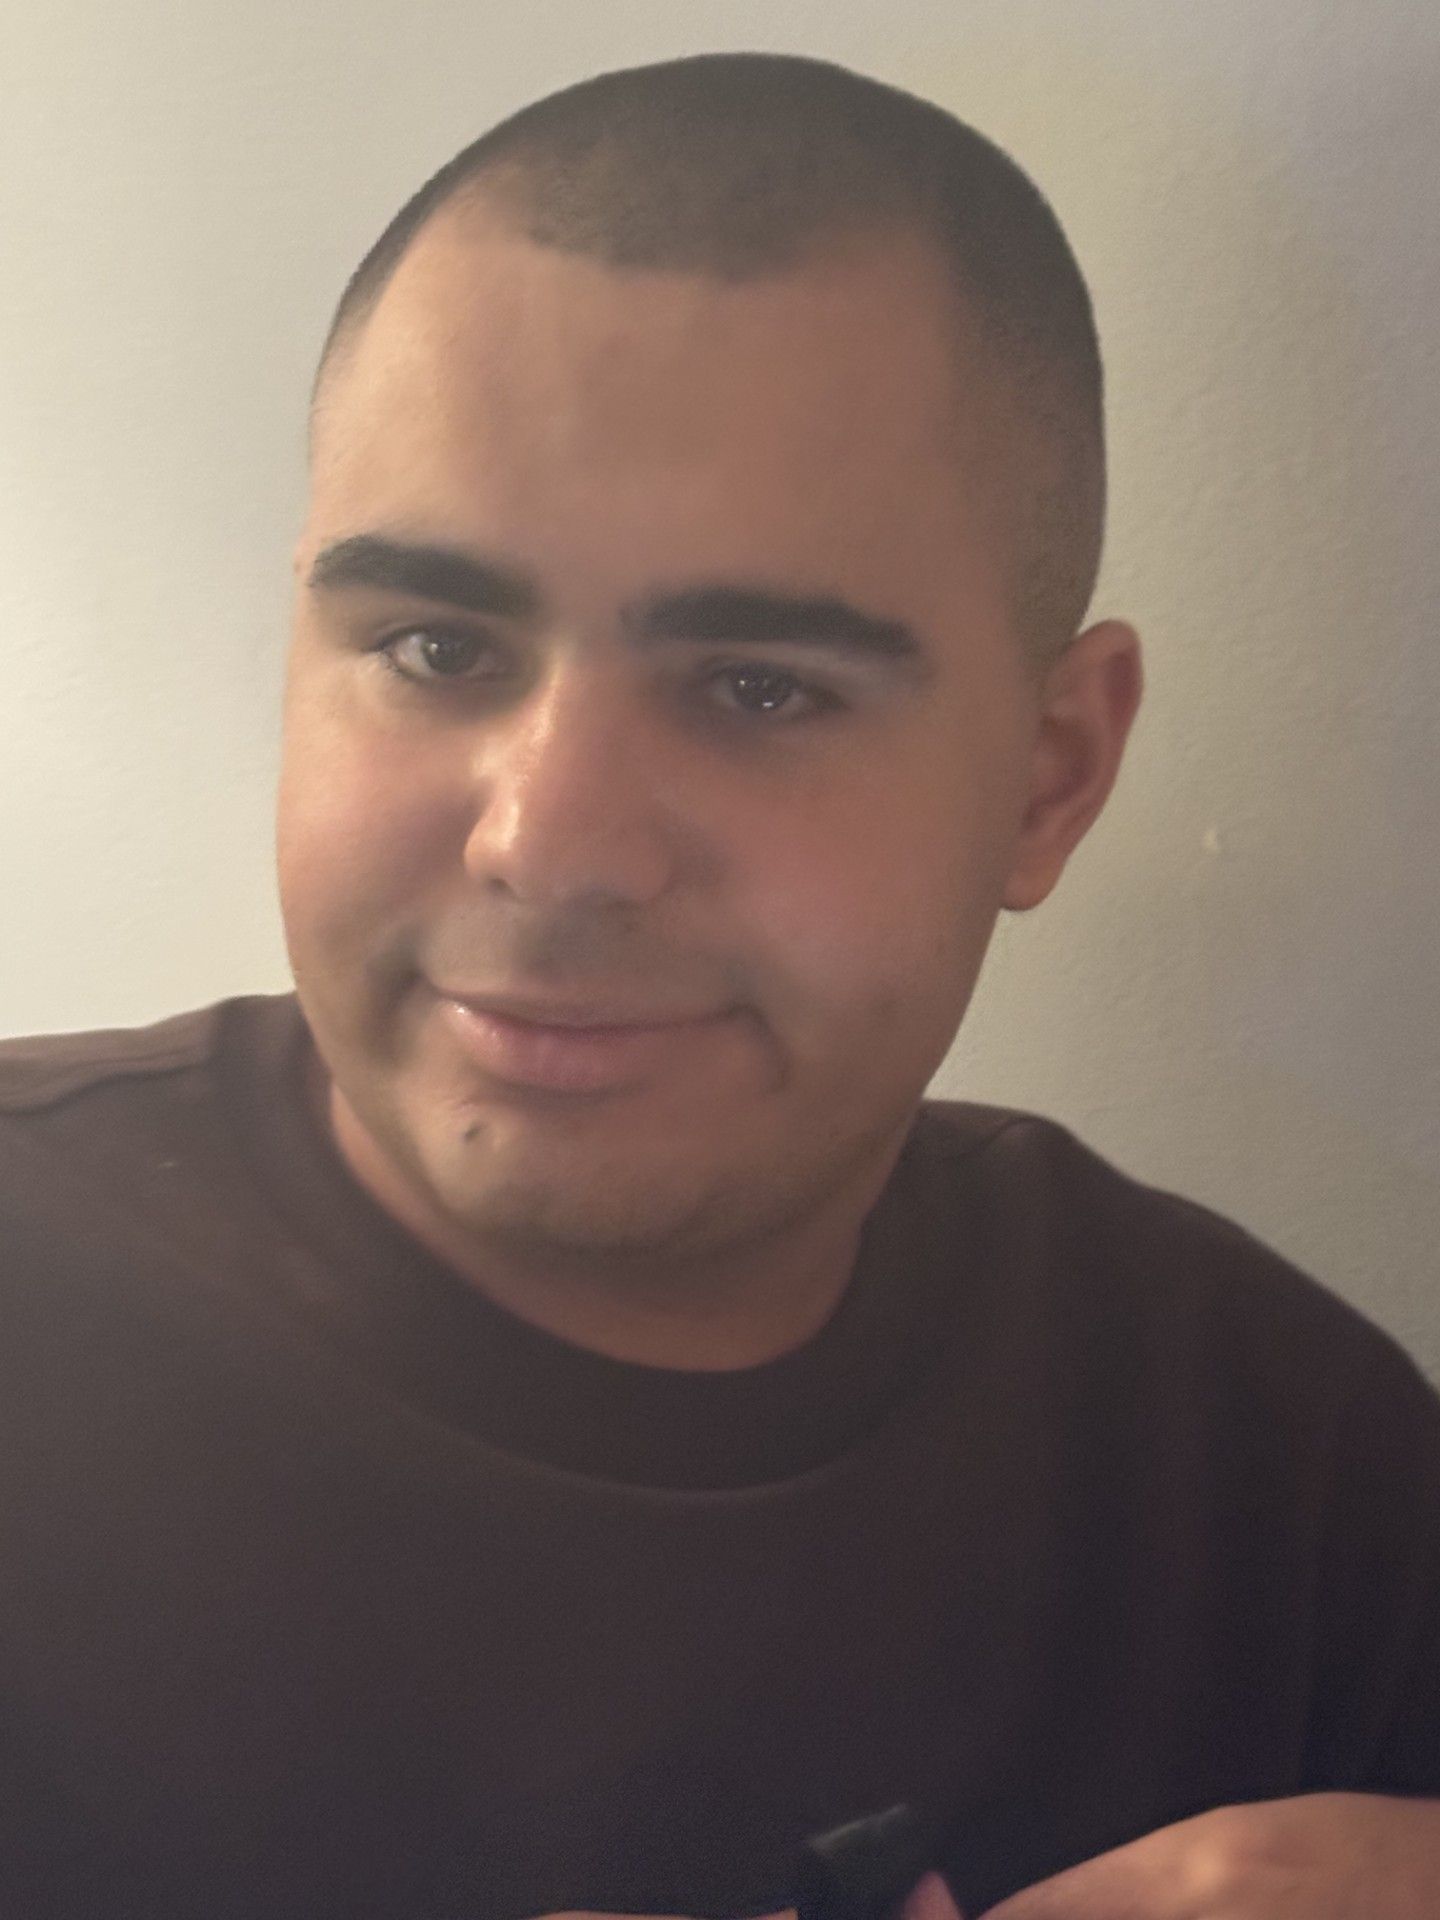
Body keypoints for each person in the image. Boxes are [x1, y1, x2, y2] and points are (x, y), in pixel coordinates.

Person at [0, 48, 1435, 1920]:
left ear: (1049, 773)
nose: (552, 840)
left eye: (762, 687)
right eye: (435, 645)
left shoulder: (1270, 1462)